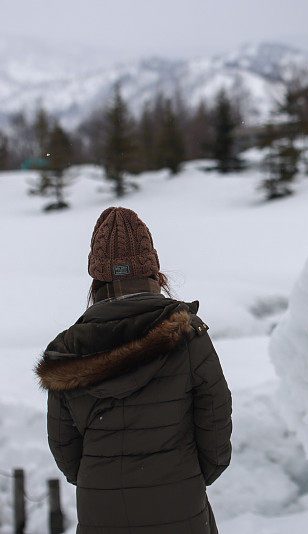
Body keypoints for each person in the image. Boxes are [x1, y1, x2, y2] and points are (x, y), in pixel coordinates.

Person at [36, 206, 233, 533]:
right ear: (154, 273)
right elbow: (215, 423)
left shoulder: (66, 350)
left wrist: (102, 481)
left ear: (97, 280)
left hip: (101, 511)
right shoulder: (188, 335)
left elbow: (66, 452)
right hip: (179, 504)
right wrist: (191, 475)